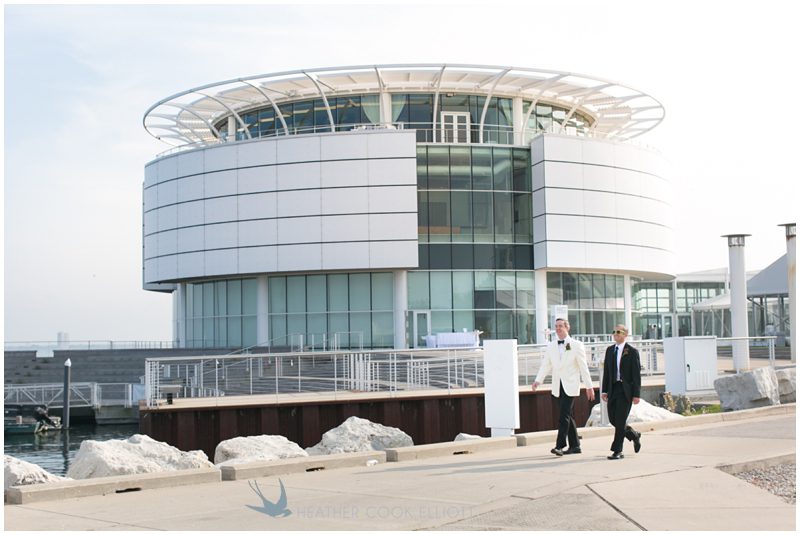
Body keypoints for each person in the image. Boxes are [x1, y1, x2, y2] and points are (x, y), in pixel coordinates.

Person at [532, 318, 595, 456]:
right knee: (568, 415)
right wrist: (538, 380)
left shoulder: (576, 345)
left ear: (567, 327)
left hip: (570, 385)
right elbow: (546, 365)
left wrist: (589, 386)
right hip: (557, 385)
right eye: (556, 326)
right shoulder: (551, 346)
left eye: (561, 326)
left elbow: (583, 367)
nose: (558, 328)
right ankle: (575, 446)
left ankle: (560, 445)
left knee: (563, 415)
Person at [601, 324, 642, 460]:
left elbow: (636, 375)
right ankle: (633, 435)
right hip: (613, 388)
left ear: (625, 334)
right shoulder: (610, 350)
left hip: (626, 390)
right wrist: (604, 390)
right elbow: (607, 372)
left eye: (618, 332)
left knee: (620, 420)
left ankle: (617, 450)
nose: (615, 334)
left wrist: (636, 394)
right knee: (613, 419)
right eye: (614, 331)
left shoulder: (632, 352)